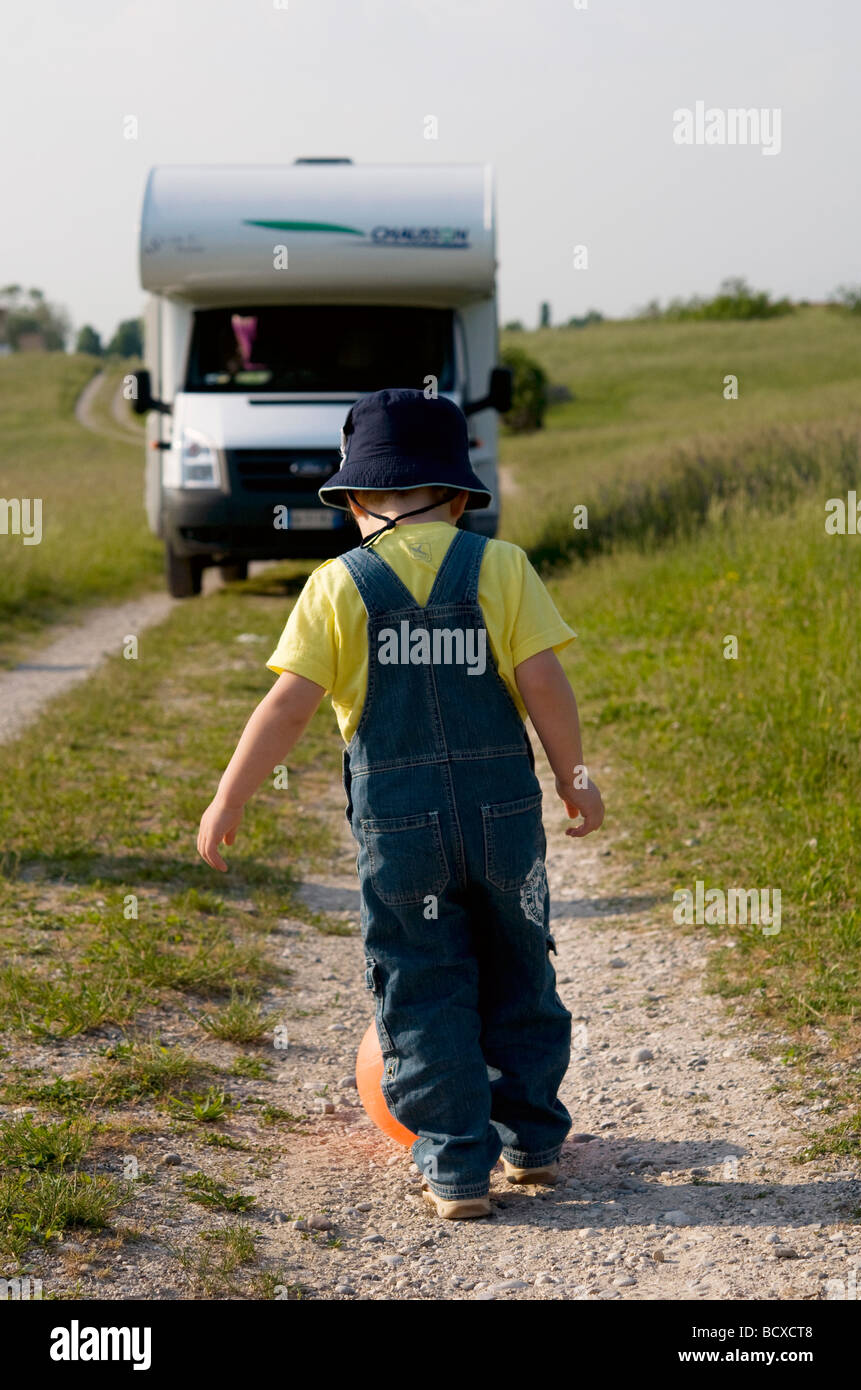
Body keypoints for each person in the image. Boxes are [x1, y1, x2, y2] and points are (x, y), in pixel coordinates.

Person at [197, 388, 605, 1219]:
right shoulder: (501, 566)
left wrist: (228, 795)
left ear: (352, 502)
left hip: (400, 826)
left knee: (422, 978)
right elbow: (542, 682)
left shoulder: (337, 585)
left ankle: (456, 1166)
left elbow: (287, 706)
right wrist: (574, 775)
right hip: (502, 820)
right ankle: (532, 1140)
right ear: (458, 498)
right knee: (519, 961)